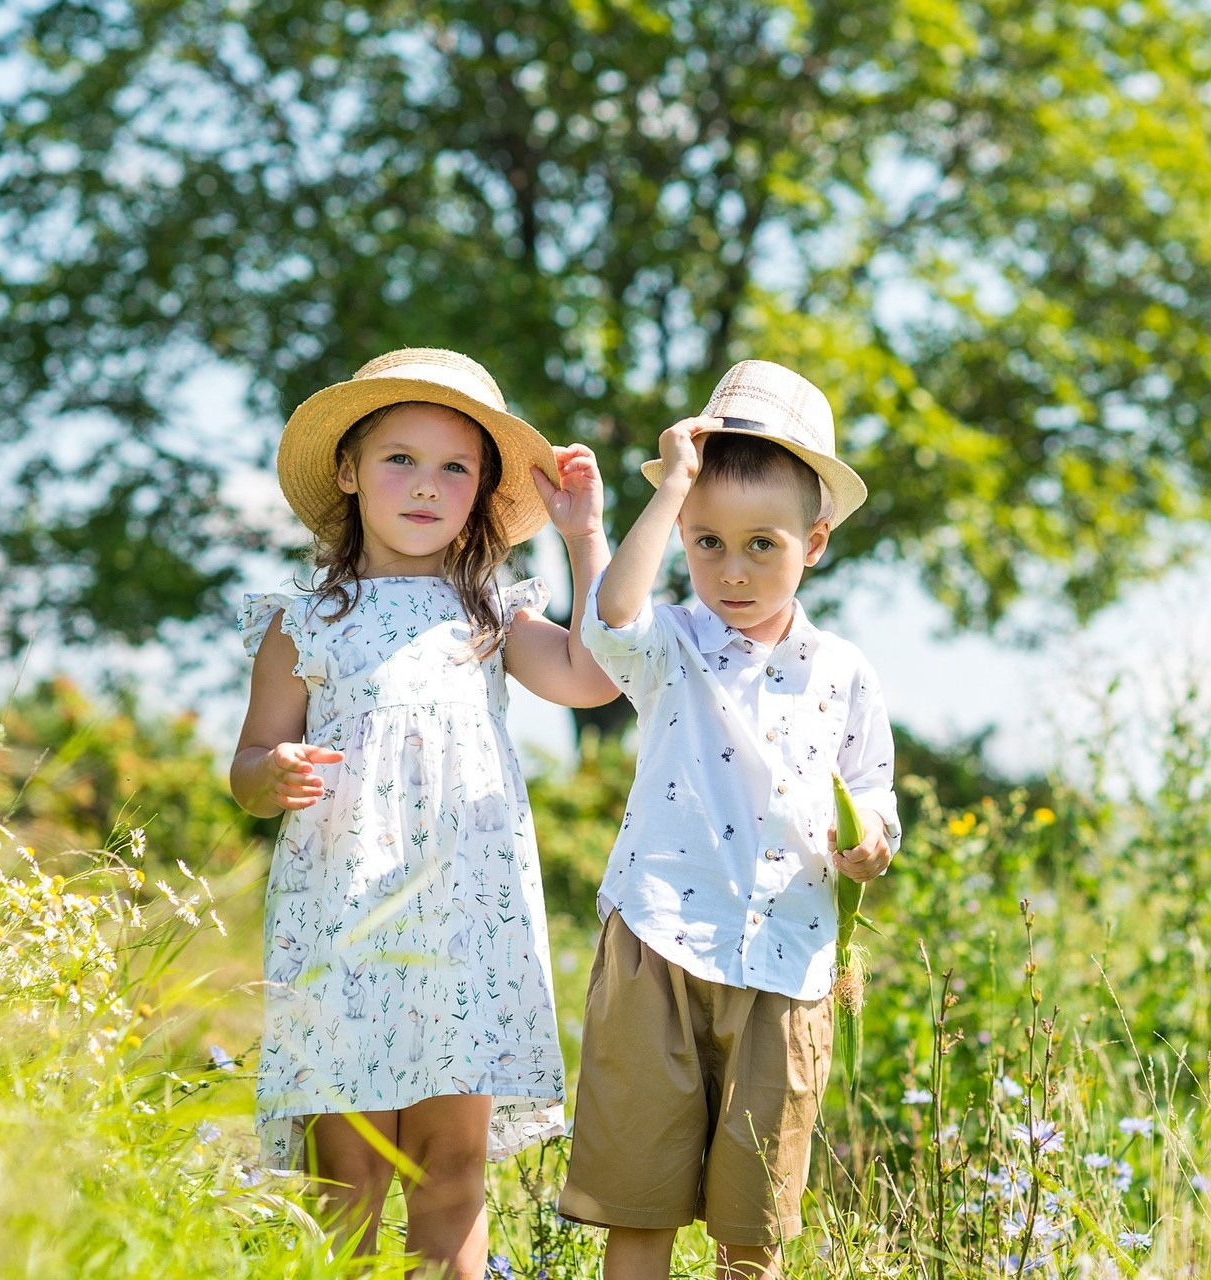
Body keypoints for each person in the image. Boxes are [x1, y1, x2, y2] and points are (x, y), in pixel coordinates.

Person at [229, 347, 618, 1279]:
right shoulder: (302, 623)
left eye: (455, 468)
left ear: (481, 494)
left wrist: (585, 537)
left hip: (464, 925)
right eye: (399, 458)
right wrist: (269, 772)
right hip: (344, 918)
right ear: (350, 472)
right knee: (349, 1168)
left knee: (451, 1167)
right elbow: (246, 766)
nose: (425, 486)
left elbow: (596, 674)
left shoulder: (489, 613)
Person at [557, 359, 902, 1280]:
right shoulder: (670, 643)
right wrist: (673, 481)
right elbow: (608, 616)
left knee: (753, 1229)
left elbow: (874, 794)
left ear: (814, 544)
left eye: (763, 545)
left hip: (785, 961)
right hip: (660, 943)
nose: (732, 570)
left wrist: (869, 843)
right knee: (639, 1206)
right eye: (706, 542)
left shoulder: (845, 674)